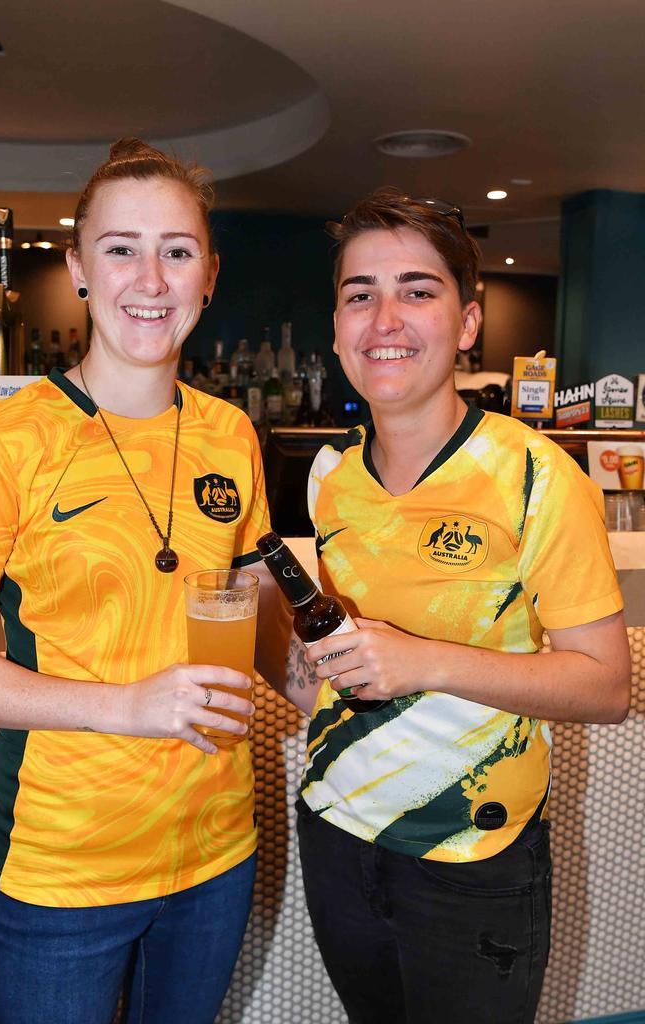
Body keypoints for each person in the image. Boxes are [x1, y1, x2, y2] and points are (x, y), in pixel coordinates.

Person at [0, 138, 281, 1024]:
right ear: (77, 267)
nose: (151, 277)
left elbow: (253, 606)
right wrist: (128, 706)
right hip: (62, 870)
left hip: (215, 854)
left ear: (208, 274)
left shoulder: (229, 434)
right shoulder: (7, 439)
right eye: (121, 248)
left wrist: (308, 668)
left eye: (176, 251)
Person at [288, 188, 631, 1024]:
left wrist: (423, 660)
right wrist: (310, 674)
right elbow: (343, 651)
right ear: (336, 330)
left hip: (476, 854)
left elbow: (606, 688)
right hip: (336, 828)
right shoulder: (328, 476)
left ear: (468, 323)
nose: (385, 318)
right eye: (359, 295)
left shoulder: (537, 476)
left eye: (418, 289)